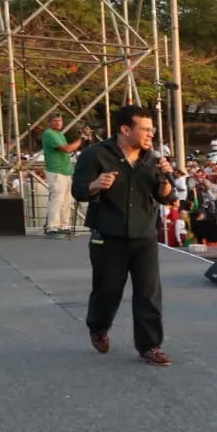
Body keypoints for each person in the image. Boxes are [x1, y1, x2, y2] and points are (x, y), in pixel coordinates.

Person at [69, 105, 174, 366]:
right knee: (108, 290)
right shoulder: (95, 155)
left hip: (144, 234)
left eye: (152, 130)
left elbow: (166, 197)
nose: (151, 134)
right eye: (146, 129)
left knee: (148, 292)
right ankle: (99, 327)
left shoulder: (153, 159)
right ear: (126, 129)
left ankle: (150, 346)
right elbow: (78, 190)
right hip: (109, 234)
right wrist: (96, 185)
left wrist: (165, 178)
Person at [42, 113, 91, 236]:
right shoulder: (49, 134)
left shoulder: (59, 134)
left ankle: (63, 225)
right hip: (56, 170)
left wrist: (84, 139)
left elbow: (72, 148)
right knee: (57, 199)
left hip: (66, 170)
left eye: (60, 120)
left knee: (66, 200)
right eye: (55, 120)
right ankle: (52, 226)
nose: (58, 122)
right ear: (49, 123)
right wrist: (81, 138)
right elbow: (67, 149)